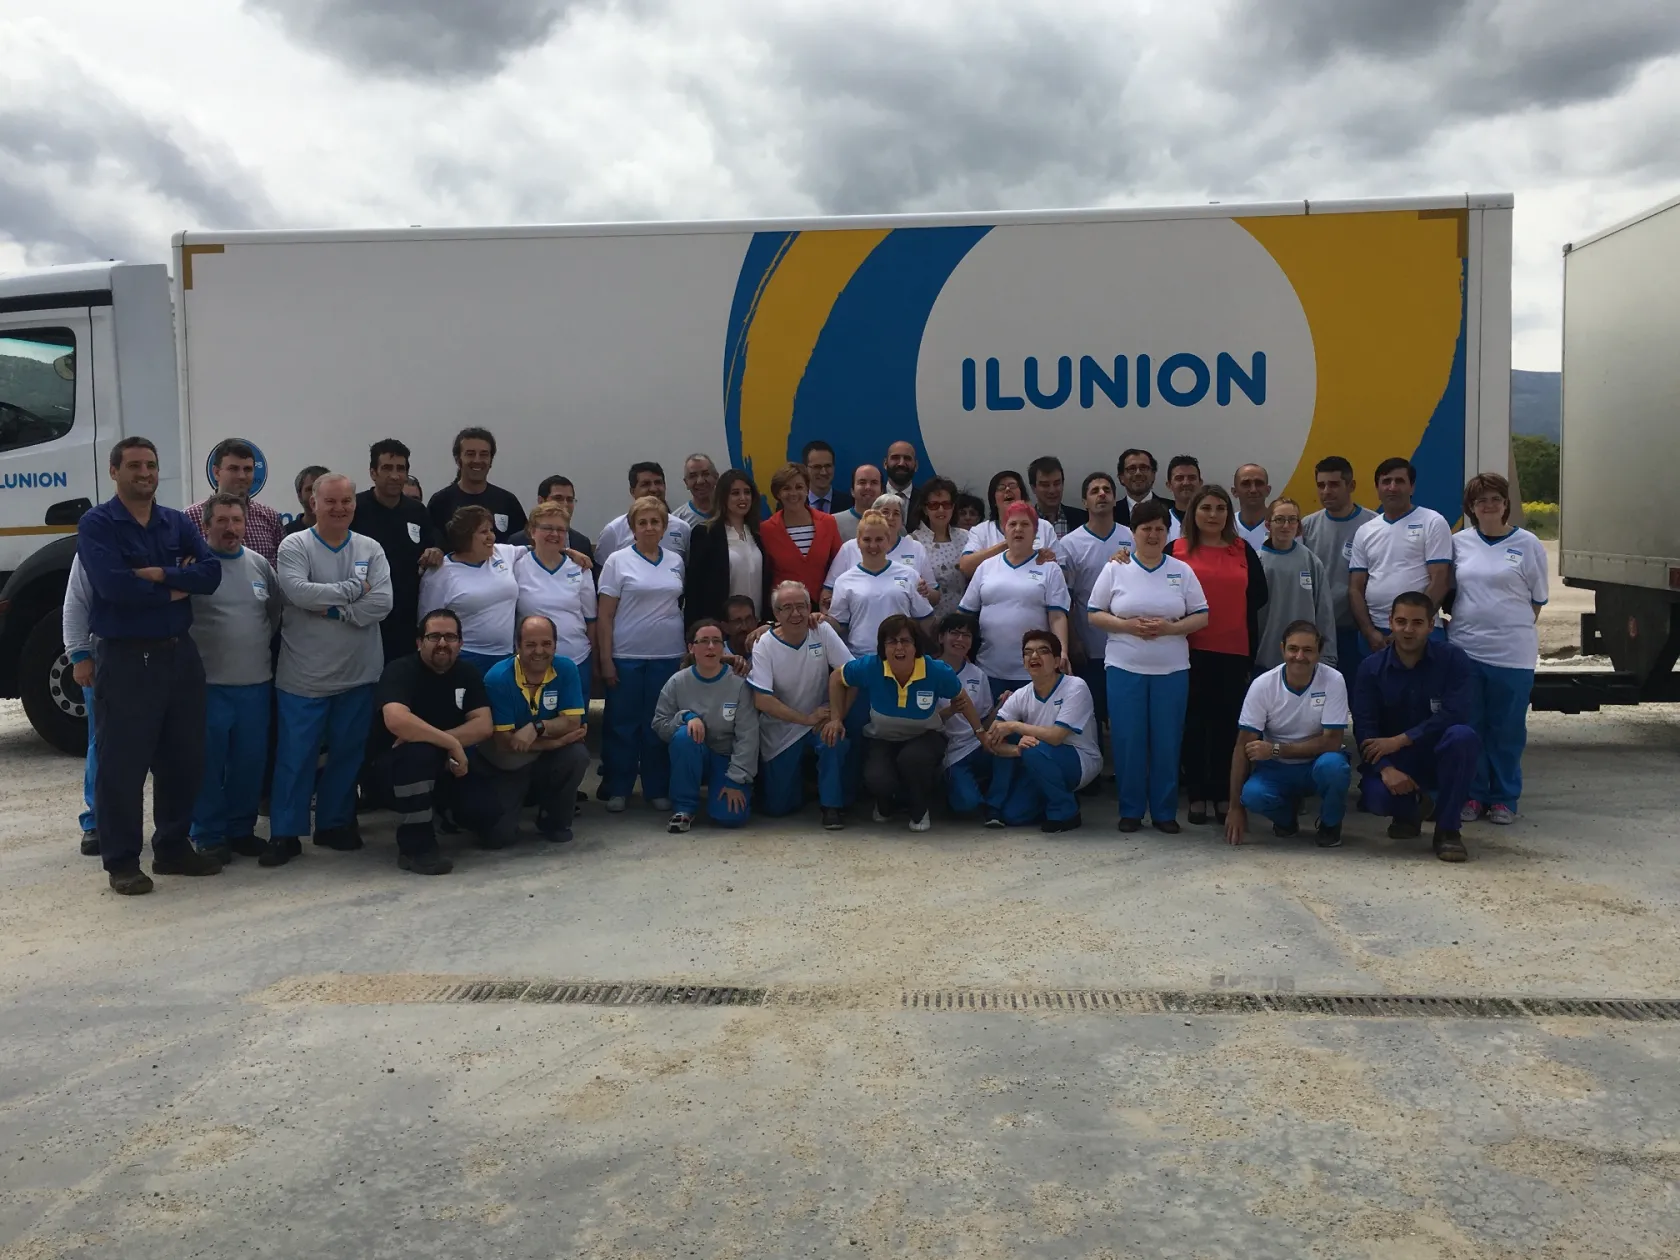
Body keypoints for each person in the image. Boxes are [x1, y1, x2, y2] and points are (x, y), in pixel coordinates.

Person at [76, 437, 223, 894]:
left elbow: (212, 573)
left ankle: (173, 849)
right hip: (125, 657)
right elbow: (112, 587)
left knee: (183, 758)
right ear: (113, 470)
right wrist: (180, 583)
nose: (145, 472)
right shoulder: (98, 524)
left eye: (152, 465)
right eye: (135, 465)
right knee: (123, 764)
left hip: (179, 654)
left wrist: (159, 575)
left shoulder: (176, 522)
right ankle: (121, 861)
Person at [264, 472, 393, 867]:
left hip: (359, 672)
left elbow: (383, 603)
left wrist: (330, 607)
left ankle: (335, 823)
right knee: (295, 756)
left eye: (347, 501)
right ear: (313, 504)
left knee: (347, 755)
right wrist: (354, 593)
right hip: (305, 677)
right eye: (331, 502)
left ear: (355, 504)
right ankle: (286, 832)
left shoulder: (370, 548)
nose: (339, 508)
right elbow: (296, 592)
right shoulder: (294, 545)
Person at [1087, 501, 1208, 832]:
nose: (1153, 535)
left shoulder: (1181, 571)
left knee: (1167, 741)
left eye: (1159, 529)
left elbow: (1201, 615)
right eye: (1146, 529)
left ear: (1167, 533)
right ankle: (1130, 810)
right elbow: (1094, 612)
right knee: (1128, 741)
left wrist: (1169, 629)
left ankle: (1165, 812)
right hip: (1125, 667)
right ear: (1134, 533)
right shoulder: (1116, 569)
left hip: (1171, 670)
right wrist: (1127, 626)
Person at [364, 609, 501, 874]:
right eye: (434, 636)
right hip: (392, 772)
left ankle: (444, 813)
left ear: (460, 644)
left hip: (447, 765)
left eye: (450, 637)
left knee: (489, 817)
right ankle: (415, 847)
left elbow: (484, 725)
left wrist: (447, 744)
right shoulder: (400, 670)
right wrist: (451, 743)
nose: (442, 643)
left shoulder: (467, 673)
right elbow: (396, 720)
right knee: (419, 754)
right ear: (419, 642)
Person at [1449, 472, 1548, 825]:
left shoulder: (1528, 544)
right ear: (1471, 508)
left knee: (1506, 730)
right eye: (1480, 501)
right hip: (1466, 651)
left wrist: (1508, 628)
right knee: (1470, 726)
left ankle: (1504, 797)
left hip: (1512, 655)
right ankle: (1474, 795)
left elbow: (1537, 601)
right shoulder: (1459, 543)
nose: (1488, 506)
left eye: (1495, 499)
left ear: (1506, 504)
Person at [1353, 592, 1481, 862]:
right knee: (1377, 798)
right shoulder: (1370, 669)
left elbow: (1456, 713)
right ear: (1390, 621)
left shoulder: (1453, 660)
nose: (1408, 630)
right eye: (1400, 621)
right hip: (1396, 761)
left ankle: (1448, 831)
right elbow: (1364, 729)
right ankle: (1410, 812)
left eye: (1417, 622)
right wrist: (1385, 768)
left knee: (1464, 737)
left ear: (1431, 624)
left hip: (1437, 754)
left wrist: (1402, 739)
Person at [188, 493, 281, 863]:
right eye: (222, 521)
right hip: (207, 686)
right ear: (206, 525)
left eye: (237, 521)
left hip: (255, 685)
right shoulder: (194, 566)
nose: (230, 528)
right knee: (207, 765)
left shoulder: (259, 565)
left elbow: (274, 614)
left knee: (249, 762)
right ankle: (209, 834)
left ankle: (241, 830)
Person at [824, 613, 981, 832]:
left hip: (925, 737)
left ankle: (919, 809)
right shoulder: (871, 666)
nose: (899, 648)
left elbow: (961, 699)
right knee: (877, 777)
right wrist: (835, 719)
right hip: (882, 738)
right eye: (892, 642)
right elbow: (836, 678)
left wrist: (980, 731)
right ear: (883, 646)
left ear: (916, 646)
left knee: (912, 759)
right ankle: (885, 804)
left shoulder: (935, 670)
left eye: (906, 641)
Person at [1170, 485, 1268, 824]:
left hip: (1233, 652)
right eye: (1206, 508)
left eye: (1220, 508)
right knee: (1195, 726)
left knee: (1228, 728)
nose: (1213, 515)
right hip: (1188, 651)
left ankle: (1225, 793)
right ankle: (1197, 793)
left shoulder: (1243, 550)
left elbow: (1257, 597)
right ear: (1193, 513)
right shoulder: (1177, 550)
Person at [1224, 621, 1352, 848]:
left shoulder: (1333, 680)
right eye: (1293, 649)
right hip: (1276, 768)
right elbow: (1242, 745)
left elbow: (1332, 742)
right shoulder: (1262, 685)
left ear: (1320, 652)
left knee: (1335, 767)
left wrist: (1275, 749)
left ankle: (1330, 825)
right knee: (1253, 795)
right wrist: (1235, 807)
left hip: (1316, 764)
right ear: (1282, 649)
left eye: (1308, 650)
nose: (1299, 656)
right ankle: (1286, 820)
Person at [596, 495, 686, 811]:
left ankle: (656, 788)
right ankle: (619, 787)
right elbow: (605, 615)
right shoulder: (617, 561)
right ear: (633, 527)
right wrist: (606, 660)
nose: (649, 527)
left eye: (655, 522)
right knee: (622, 723)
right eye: (642, 522)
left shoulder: (675, 561)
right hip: (627, 655)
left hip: (667, 655)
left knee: (657, 724)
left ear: (664, 527)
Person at [480, 614, 592, 846]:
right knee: (498, 839)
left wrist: (537, 727)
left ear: (555, 645)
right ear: (517, 646)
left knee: (577, 756)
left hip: (540, 757)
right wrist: (555, 742)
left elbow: (573, 723)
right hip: (507, 765)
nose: (539, 651)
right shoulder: (498, 678)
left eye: (546, 644)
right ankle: (517, 802)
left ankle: (554, 819)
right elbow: (504, 743)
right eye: (530, 644)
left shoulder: (566, 668)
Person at [748, 580, 853, 825]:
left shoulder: (822, 631)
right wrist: (805, 718)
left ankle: (831, 806)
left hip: (820, 721)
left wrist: (837, 717)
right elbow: (762, 699)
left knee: (834, 739)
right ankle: (806, 788)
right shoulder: (764, 645)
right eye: (786, 608)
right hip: (783, 727)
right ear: (775, 614)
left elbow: (851, 675)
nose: (795, 614)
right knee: (778, 807)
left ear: (810, 608)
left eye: (801, 606)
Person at [982, 629, 1102, 832]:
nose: (1034, 656)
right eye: (1028, 652)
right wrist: (1016, 750)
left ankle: (1066, 811)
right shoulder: (1021, 694)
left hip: (1079, 760)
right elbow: (991, 739)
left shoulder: (1075, 686)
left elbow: (1056, 737)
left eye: (1042, 651)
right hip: (1036, 758)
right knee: (1014, 815)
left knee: (1029, 745)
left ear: (1057, 661)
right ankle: (1052, 798)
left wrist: (1015, 726)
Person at [654, 619, 760, 832]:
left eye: (716, 641)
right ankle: (684, 807)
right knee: (685, 736)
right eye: (703, 641)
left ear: (724, 647)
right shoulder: (677, 682)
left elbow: (748, 737)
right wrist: (686, 717)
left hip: (725, 758)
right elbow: (660, 725)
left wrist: (736, 780)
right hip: (693, 754)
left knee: (731, 817)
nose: (710, 647)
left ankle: (729, 787)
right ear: (691, 648)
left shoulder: (739, 685)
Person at [958, 503, 1071, 701]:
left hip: (1034, 671)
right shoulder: (986, 567)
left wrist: (1062, 652)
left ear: (1035, 532)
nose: (1018, 529)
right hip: (989, 668)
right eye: (1013, 524)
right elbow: (965, 614)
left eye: (1025, 524)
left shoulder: (1050, 569)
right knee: (992, 728)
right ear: (1005, 530)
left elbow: (1057, 616)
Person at [353, 438, 446, 664]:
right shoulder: (355, 508)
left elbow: (434, 545)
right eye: (387, 468)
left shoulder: (417, 512)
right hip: (363, 620)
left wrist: (436, 550)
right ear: (373, 472)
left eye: (400, 469)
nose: (395, 476)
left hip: (406, 620)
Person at [1348, 457, 1452, 656]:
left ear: (1412, 487)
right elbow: (1355, 588)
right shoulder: (1365, 531)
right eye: (1386, 482)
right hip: (1376, 634)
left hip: (1421, 632)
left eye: (1399, 481)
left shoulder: (1432, 522)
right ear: (1377, 488)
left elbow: (1440, 581)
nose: (1392, 487)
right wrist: (1369, 631)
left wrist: (1408, 627)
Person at [1054, 471, 1132, 729]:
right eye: (1094, 490)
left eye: (1107, 490)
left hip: (1126, 646)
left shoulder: (1132, 537)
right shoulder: (1070, 543)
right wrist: (1073, 639)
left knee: (1122, 716)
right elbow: (1066, 597)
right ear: (1085, 502)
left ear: (1114, 499)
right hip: (1089, 647)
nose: (1101, 494)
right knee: (1090, 717)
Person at [417, 506, 522, 674]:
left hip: (507, 658)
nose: (491, 536)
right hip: (465, 659)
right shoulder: (439, 573)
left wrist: (571, 553)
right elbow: (426, 622)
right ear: (465, 537)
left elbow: (539, 551)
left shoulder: (503, 553)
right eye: (483, 532)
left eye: (491, 530)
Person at [1301, 455, 1377, 684]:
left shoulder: (1373, 525)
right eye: (1321, 485)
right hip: (1318, 631)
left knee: (1357, 695)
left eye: (1334, 484)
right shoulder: (1306, 526)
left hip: (1357, 630)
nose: (1326, 491)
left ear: (1351, 486)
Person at [826, 510, 936, 658]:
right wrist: (821, 620)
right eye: (867, 539)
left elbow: (925, 620)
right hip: (860, 658)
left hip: (901, 657)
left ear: (888, 540)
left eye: (879, 539)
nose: (873, 545)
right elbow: (839, 625)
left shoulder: (909, 575)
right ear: (858, 541)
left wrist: (939, 651)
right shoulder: (844, 581)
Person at [513, 501, 597, 676]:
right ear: (532, 531)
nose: (554, 534)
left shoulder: (580, 568)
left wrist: (596, 663)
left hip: (577, 660)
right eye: (548, 528)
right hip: (531, 664)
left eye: (560, 530)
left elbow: (591, 621)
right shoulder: (516, 567)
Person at [1255, 497, 1337, 672]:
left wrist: (1328, 657)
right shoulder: (1256, 562)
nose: (1286, 525)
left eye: (1292, 520)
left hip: (1304, 659)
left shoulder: (1311, 562)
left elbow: (1324, 613)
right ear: (1268, 525)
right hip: (1264, 658)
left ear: (1298, 526)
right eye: (1279, 520)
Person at [685, 468, 772, 623]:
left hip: (757, 625)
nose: (743, 498)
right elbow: (695, 589)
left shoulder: (758, 533)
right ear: (723, 497)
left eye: (747, 492)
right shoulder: (705, 533)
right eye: (735, 493)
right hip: (722, 627)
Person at [760, 462, 844, 610]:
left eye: (799, 487)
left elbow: (839, 564)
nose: (793, 494)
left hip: (823, 608)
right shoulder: (766, 529)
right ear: (778, 493)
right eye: (786, 488)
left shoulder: (828, 522)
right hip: (784, 610)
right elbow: (765, 575)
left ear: (807, 489)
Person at [186, 439, 284, 564]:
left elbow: (280, 570)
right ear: (216, 472)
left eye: (247, 469)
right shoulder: (190, 517)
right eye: (233, 469)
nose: (242, 476)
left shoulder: (270, 517)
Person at [934, 613, 993, 816]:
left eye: (966, 635)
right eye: (955, 633)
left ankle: (994, 801)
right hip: (950, 750)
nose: (960, 640)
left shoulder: (978, 675)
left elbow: (984, 721)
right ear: (941, 637)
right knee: (967, 806)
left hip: (977, 744)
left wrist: (1002, 707)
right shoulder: (927, 671)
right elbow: (922, 722)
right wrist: (950, 711)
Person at [825, 493, 936, 599]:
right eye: (885, 512)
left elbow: (936, 595)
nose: (890, 517)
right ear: (874, 517)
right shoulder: (849, 548)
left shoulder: (916, 548)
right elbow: (828, 590)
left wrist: (926, 592)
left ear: (902, 520)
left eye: (896, 513)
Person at [426, 426, 526, 543]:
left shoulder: (508, 501)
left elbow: (523, 543)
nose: (477, 460)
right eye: (470, 454)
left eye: (484, 454)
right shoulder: (440, 502)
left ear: (491, 460)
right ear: (458, 460)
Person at [62, 556, 99, 855]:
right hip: (108, 658)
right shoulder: (99, 535)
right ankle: (98, 822)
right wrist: (78, 655)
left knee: (169, 745)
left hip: (164, 658)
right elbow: (75, 601)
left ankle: (177, 825)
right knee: (104, 742)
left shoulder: (169, 530)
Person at [958, 470, 1057, 578]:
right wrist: (1008, 543)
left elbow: (1064, 574)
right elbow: (965, 567)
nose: (1008, 489)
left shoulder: (1044, 527)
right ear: (994, 500)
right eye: (1001, 487)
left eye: (1012, 486)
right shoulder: (980, 531)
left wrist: (1051, 561)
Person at [597, 462, 693, 558]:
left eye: (658, 482)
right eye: (645, 484)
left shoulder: (682, 528)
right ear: (632, 491)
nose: (653, 489)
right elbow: (601, 571)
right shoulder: (613, 531)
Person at [908, 476, 970, 620]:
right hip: (929, 623)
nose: (941, 510)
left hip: (963, 622)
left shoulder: (966, 537)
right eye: (934, 505)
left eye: (946, 504)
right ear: (925, 508)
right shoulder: (913, 541)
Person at [506, 476, 596, 564]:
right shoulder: (517, 541)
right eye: (558, 498)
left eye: (569, 500)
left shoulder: (582, 542)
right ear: (541, 501)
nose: (565, 504)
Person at [1028, 455, 1088, 538]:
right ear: (1033, 488)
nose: (1052, 490)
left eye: (1057, 483)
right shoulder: (1025, 521)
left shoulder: (1083, 519)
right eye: (1045, 485)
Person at [1115, 449, 1174, 529]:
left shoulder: (1172, 510)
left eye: (1143, 468)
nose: (1138, 473)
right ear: (1121, 477)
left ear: (1153, 475)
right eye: (1132, 469)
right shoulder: (1110, 513)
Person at [833, 465, 884, 543]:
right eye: (862, 482)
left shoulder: (893, 523)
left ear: (882, 491)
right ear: (852, 491)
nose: (868, 487)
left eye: (874, 482)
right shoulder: (834, 523)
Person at [801, 440, 851, 515]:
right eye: (817, 467)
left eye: (828, 466)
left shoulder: (849, 504)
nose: (823, 472)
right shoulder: (792, 504)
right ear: (805, 469)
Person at [1231, 464, 1273, 550]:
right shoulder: (1226, 525)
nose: (1253, 490)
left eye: (1259, 483)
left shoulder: (1284, 526)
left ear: (1268, 490)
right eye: (1246, 484)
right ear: (1234, 491)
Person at [282, 464, 330, 538]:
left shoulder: (347, 530)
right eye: (310, 489)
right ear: (299, 495)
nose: (317, 493)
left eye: (323, 487)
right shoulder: (286, 534)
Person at [674, 453, 720, 527]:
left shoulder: (732, 511)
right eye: (693, 476)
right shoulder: (677, 521)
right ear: (686, 483)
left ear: (716, 477)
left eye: (705, 474)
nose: (700, 481)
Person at [1164, 456, 1202, 538]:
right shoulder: (1161, 521)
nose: (1186, 483)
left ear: (1200, 483)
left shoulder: (1211, 519)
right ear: (1169, 485)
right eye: (1179, 478)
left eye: (1192, 478)